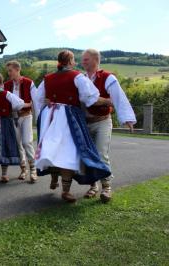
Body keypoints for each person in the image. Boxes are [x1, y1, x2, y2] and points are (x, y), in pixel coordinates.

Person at [32, 50, 111, 203]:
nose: (76, 63)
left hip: (51, 116)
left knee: (51, 149)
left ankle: (54, 179)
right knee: (67, 151)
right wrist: (108, 101)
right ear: (70, 61)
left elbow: (38, 97)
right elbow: (90, 97)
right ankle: (65, 190)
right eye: (74, 60)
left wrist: (47, 103)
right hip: (69, 117)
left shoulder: (47, 79)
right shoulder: (77, 77)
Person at [81, 48, 137, 202]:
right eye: (82, 59)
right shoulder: (81, 78)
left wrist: (127, 119)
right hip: (85, 123)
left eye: (85, 59)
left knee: (100, 153)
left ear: (95, 60)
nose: (82, 62)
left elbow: (119, 98)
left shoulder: (107, 77)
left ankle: (106, 187)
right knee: (88, 155)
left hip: (102, 122)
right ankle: (93, 186)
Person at [4, 61, 38, 183]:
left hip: (26, 116)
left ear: (17, 70)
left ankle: (33, 169)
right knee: (18, 144)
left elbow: (36, 100)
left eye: (10, 71)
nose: (9, 73)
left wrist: (29, 106)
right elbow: (4, 101)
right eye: (8, 71)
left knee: (27, 142)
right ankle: (23, 169)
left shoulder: (29, 83)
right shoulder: (7, 85)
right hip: (12, 117)